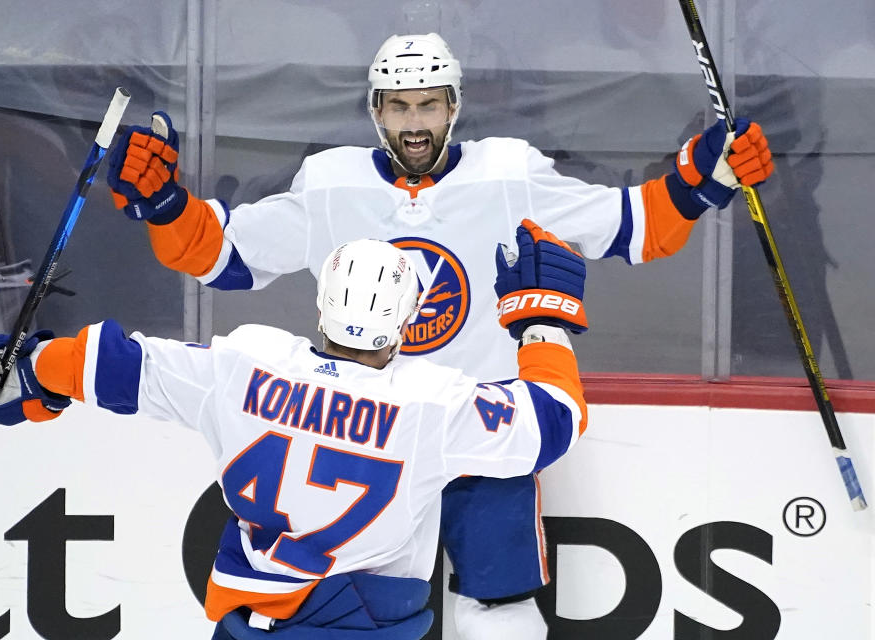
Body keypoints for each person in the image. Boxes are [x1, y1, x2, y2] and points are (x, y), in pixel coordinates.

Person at [105, 33, 775, 639]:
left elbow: (635, 225)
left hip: (476, 428)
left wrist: (705, 177)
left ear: (454, 106)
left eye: (428, 105)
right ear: (375, 112)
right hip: (363, 436)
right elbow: (219, 255)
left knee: (499, 611)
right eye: (398, 107)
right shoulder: (330, 185)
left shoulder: (509, 175)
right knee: (353, 615)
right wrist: (163, 202)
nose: (414, 123)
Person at [0, 223, 588, 639]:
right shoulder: (431, 403)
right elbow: (554, 420)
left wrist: (30, 367)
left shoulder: (245, 363)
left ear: (322, 304)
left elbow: (116, 364)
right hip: (364, 625)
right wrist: (542, 325)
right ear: (407, 322)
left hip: (248, 625)